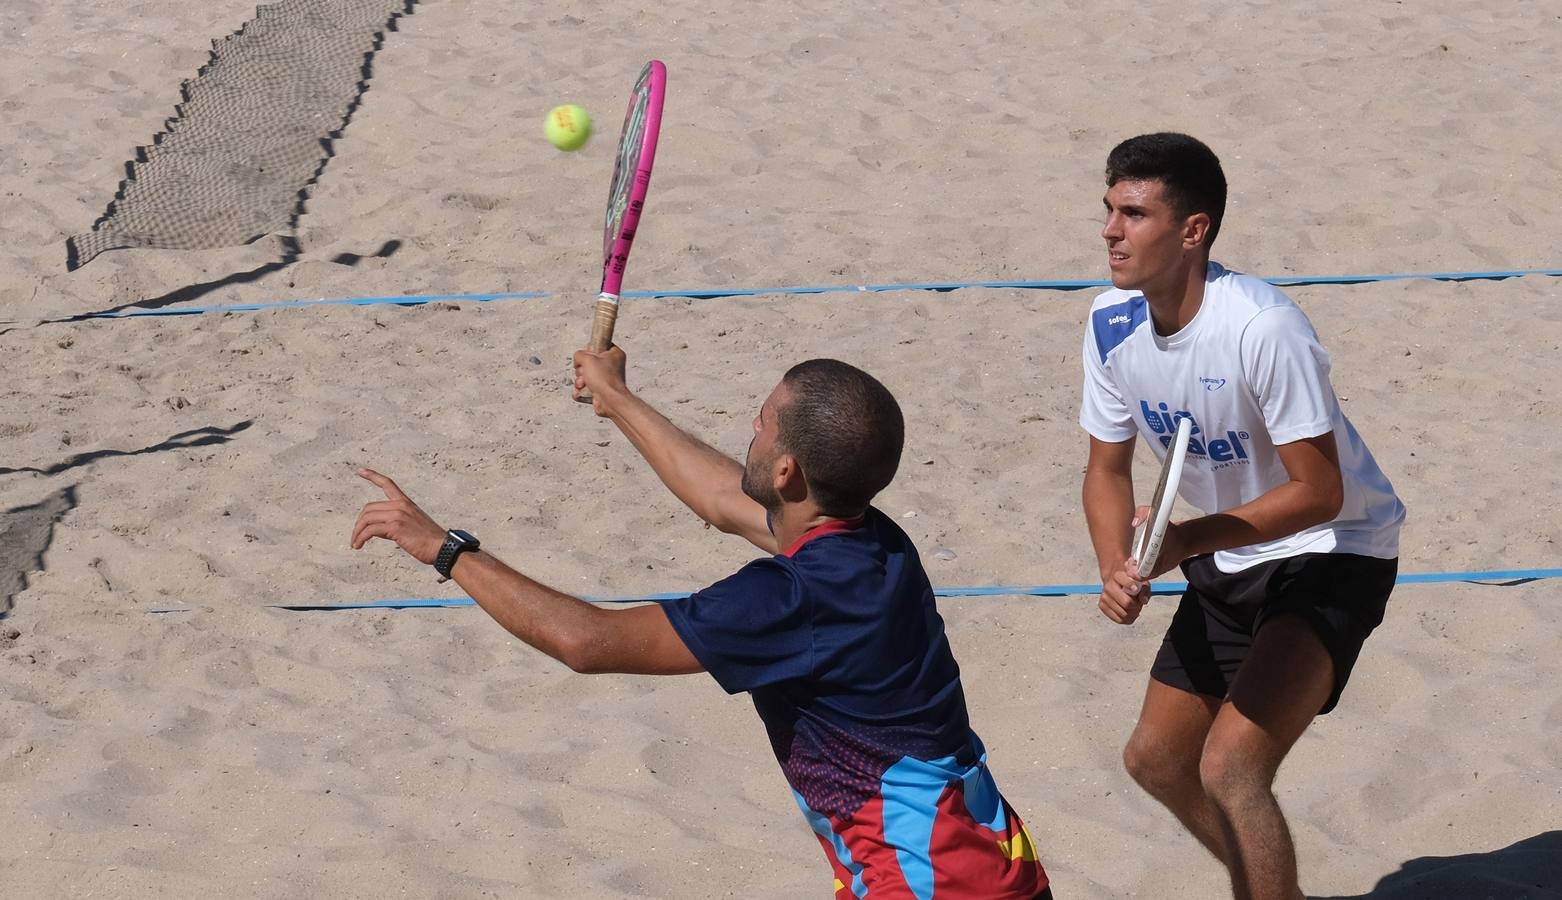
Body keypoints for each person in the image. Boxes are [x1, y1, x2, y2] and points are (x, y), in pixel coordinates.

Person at [352, 350, 1052, 899]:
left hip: (927, 882)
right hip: (987, 858)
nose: (751, 430)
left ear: (786, 470)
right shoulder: (874, 542)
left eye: (762, 422)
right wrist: (619, 400)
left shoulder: (789, 599)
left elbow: (587, 642)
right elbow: (723, 497)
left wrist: (443, 548)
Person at [1078, 132, 1405, 900]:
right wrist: (1115, 567)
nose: (1110, 231)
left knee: (1231, 766)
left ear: (1193, 231)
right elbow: (1105, 470)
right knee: (1156, 760)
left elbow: (1319, 491)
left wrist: (1186, 538)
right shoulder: (1110, 322)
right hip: (1235, 551)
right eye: (1108, 210)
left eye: (1133, 213)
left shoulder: (1263, 327)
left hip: (1336, 548)